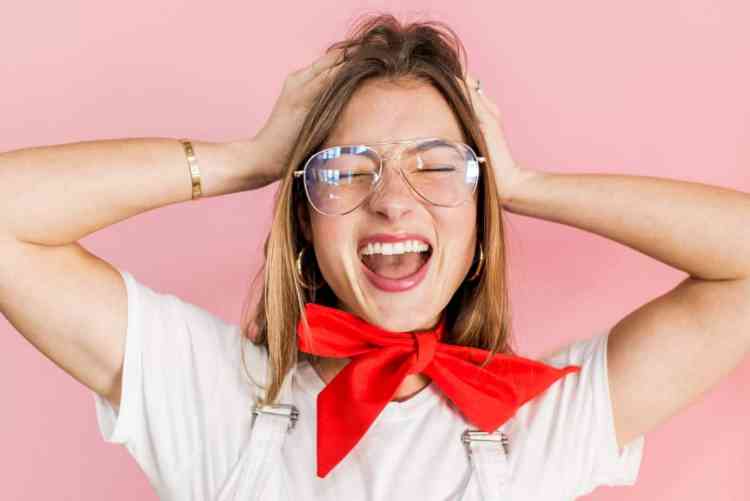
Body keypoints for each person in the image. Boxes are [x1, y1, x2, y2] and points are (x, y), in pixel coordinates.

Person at [3, 12, 750, 501]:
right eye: (348, 168)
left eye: (435, 164)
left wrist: (525, 186)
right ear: (305, 219)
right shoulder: (215, 399)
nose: (393, 199)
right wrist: (248, 159)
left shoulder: (537, 423)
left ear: (479, 223)